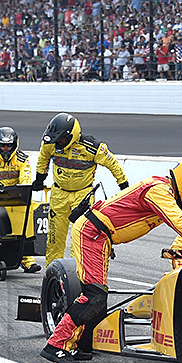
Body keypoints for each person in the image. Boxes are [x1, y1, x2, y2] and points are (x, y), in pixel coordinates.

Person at [41, 157, 182, 363]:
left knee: (96, 295)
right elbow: (179, 223)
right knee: (94, 296)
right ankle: (56, 344)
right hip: (92, 233)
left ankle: (71, 344)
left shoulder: (164, 192)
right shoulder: (159, 191)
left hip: (99, 236)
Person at [33, 113, 129, 267]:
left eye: (61, 140)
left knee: (79, 236)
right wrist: (39, 178)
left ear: (71, 136)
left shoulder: (93, 147)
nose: (57, 143)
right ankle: (52, 275)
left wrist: (123, 185)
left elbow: (114, 165)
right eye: (55, 140)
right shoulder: (50, 143)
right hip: (58, 194)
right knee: (54, 239)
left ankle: (77, 276)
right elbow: (43, 159)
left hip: (83, 195)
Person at [0, 126, 41, 274]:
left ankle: (27, 260)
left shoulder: (23, 159)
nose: (5, 148)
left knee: (25, 213)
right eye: (2, 145)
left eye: (9, 145)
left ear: (15, 144)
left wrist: (20, 193)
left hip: (17, 200)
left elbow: (25, 180)